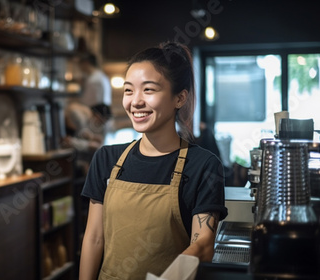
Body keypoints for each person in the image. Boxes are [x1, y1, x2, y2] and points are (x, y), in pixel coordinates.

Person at [79, 42, 228, 279]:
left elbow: (203, 246)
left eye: (148, 90)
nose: (135, 101)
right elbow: (95, 237)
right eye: (129, 90)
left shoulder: (204, 165)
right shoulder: (107, 159)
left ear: (179, 98)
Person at [63, 101, 112, 176]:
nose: (99, 124)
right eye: (101, 121)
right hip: (70, 157)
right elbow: (67, 141)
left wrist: (91, 139)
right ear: (96, 115)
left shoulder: (91, 126)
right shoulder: (81, 117)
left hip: (79, 157)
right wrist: (88, 144)